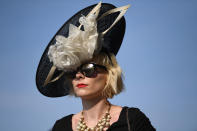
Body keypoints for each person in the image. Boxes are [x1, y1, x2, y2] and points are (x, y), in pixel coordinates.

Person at [36, 2, 156, 131]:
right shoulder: (61, 127)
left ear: (109, 73)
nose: (78, 75)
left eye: (88, 69)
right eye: (71, 71)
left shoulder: (132, 121)